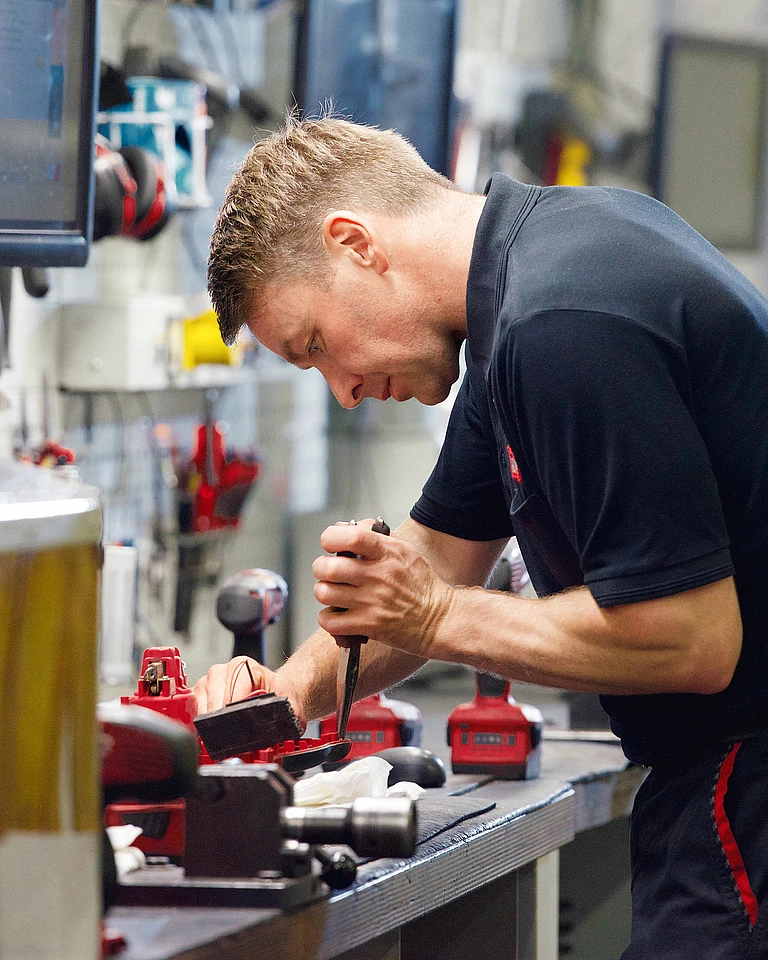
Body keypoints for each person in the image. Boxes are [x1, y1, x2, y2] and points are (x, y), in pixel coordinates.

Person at [197, 113, 768, 959]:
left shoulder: (562, 321)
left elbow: (692, 640)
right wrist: (280, 701)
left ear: (355, 243)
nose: (343, 391)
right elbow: (435, 555)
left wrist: (432, 616)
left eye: (316, 345)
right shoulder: (527, 296)